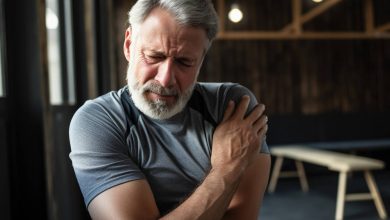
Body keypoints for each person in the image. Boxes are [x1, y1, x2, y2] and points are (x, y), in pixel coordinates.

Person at [69, 0, 270, 219]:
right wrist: (227, 169)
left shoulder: (231, 106)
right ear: (128, 46)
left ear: (201, 61)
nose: (165, 80)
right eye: (154, 56)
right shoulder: (97, 122)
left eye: (184, 62)